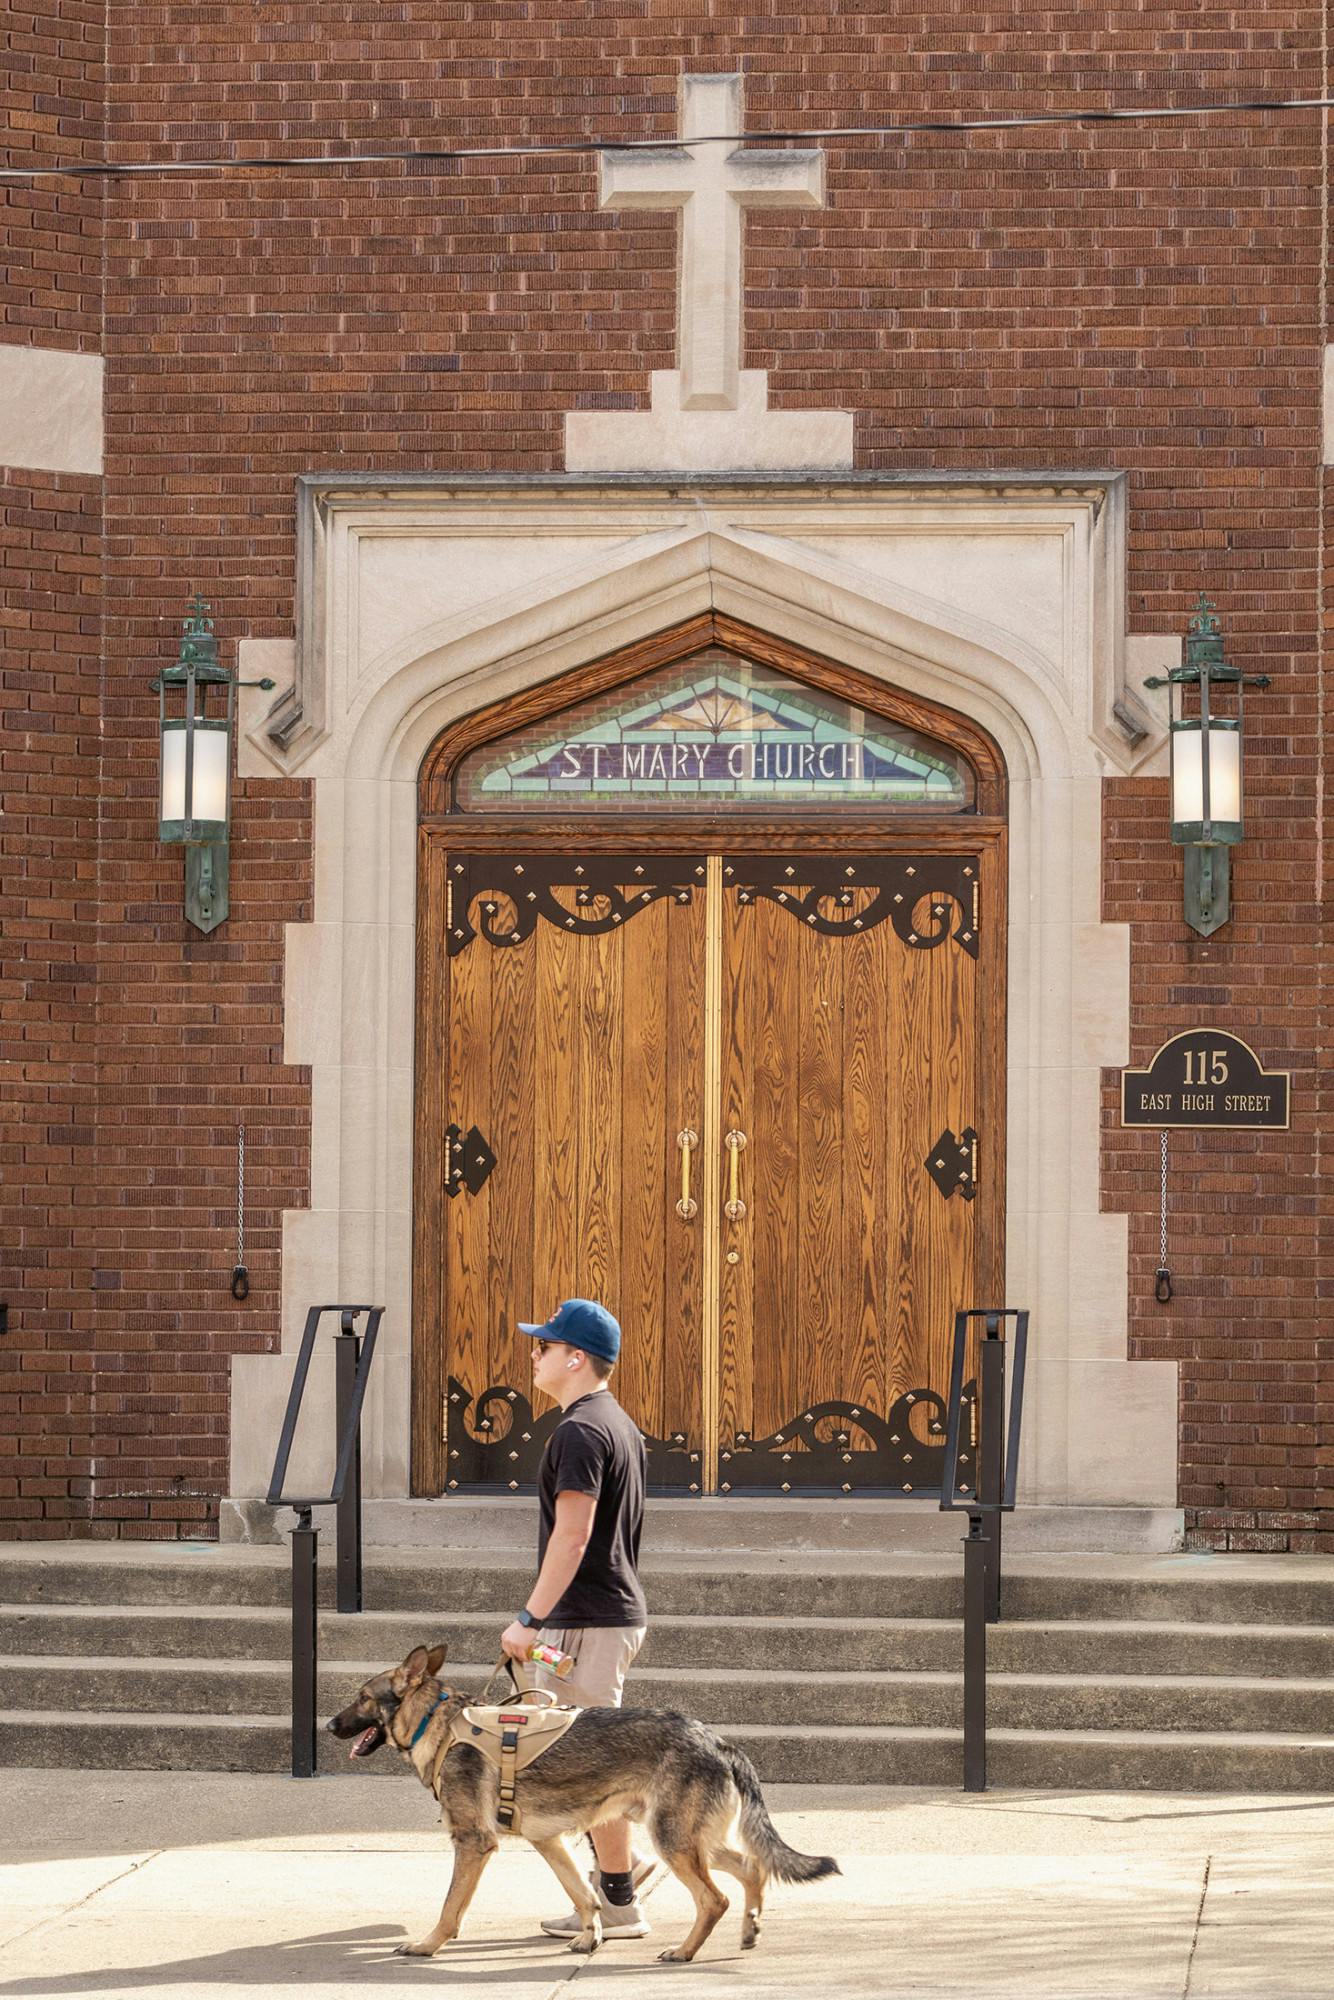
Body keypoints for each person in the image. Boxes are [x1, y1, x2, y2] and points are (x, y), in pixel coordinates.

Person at [498, 1297, 654, 1940]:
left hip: (587, 1620)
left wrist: (529, 1620)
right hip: (601, 1616)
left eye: (543, 1346)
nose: (533, 1355)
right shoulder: (614, 1422)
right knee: (587, 1760)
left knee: (592, 1768)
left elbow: (573, 1535)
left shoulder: (580, 1432)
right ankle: (630, 1868)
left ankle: (617, 1904)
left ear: (575, 1357)